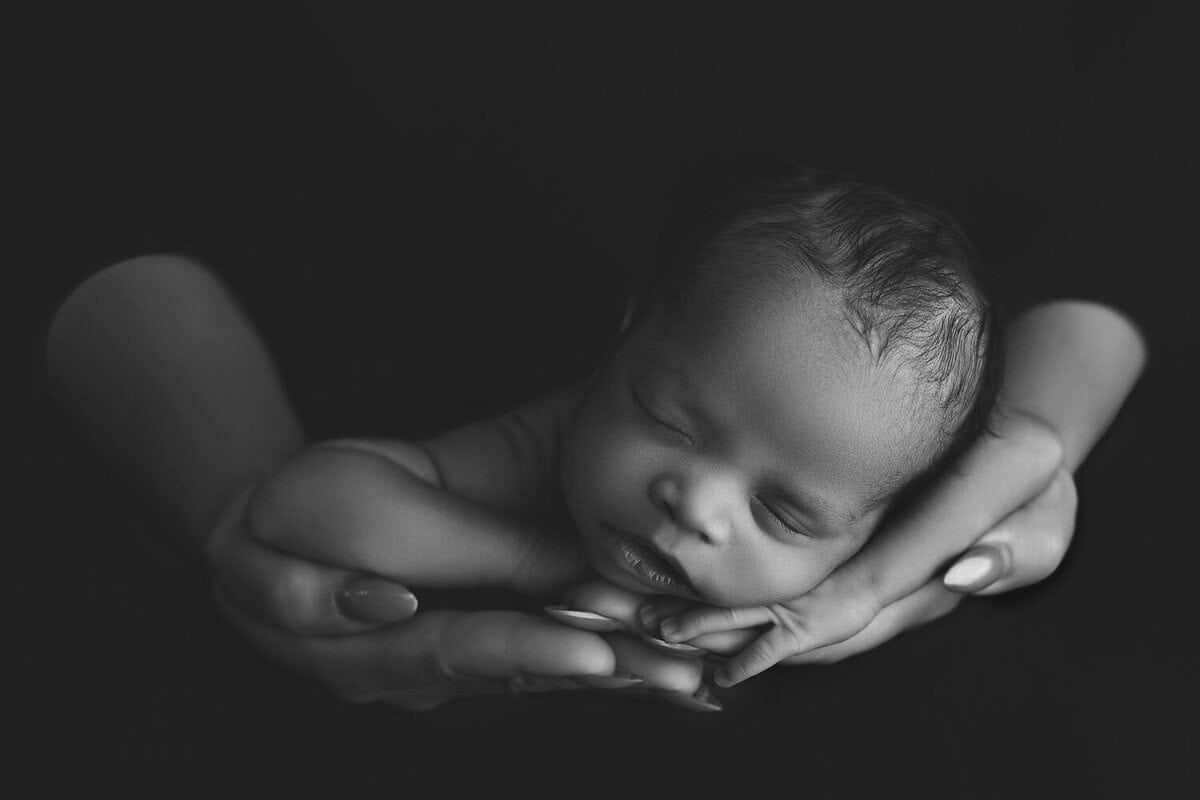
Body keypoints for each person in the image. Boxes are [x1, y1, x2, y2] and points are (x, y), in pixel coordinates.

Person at [43, 167, 1146, 713]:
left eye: (786, 511)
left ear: (883, 523)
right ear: (623, 341)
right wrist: (539, 562)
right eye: (669, 416)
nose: (693, 501)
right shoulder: (556, 438)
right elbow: (300, 503)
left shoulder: (860, 577)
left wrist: (876, 586)